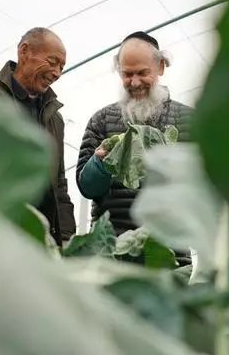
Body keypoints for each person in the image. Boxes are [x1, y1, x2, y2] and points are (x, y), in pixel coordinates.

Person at [0, 27, 75, 244]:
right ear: (25, 52)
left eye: (62, 67)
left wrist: (67, 241)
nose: (57, 73)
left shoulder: (54, 119)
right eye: (52, 62)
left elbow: (58, 186)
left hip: (31, 240)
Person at [76, 31, 193, 236]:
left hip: (167, 250)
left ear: (160, 67)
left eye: (142, 73)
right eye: (127, 74)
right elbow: (87, 187)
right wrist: (99, 164)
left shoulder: (187, 120)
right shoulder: (101, 120)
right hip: (112, 247)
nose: (135, 82)